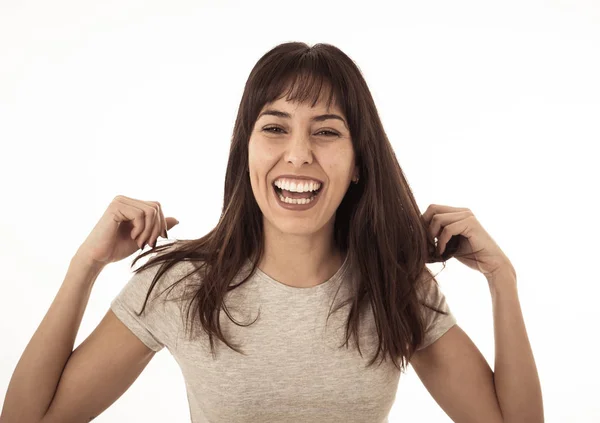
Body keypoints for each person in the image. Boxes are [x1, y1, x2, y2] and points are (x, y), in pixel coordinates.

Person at [0, 42, 543, 423]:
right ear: (248, 151)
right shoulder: (179, 286)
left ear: (358, 163)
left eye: (327, 131)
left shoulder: (395, 288)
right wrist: (84, 267)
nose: (299, 154)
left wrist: (503, 280)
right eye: (275, 127)